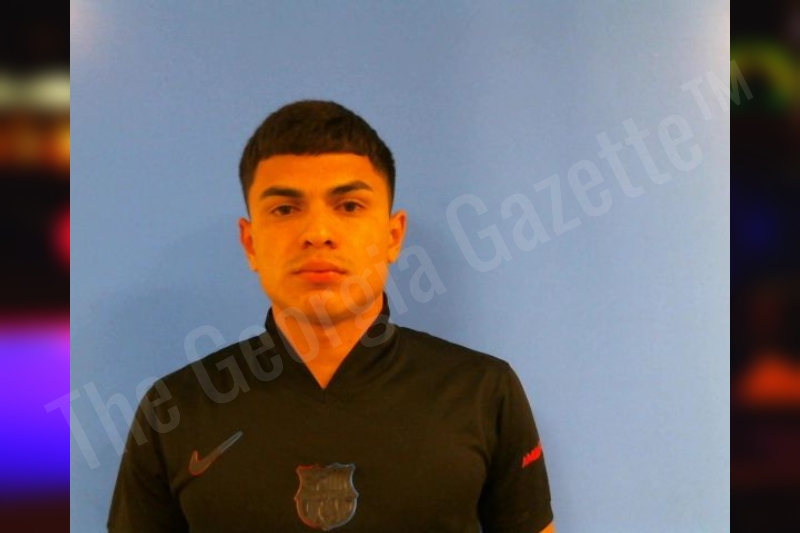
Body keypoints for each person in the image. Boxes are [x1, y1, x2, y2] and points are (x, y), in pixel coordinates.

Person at [107, 100, 555, 532]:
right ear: (250, 243)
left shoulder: (483, 392)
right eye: (285, 209)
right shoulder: (175, 409)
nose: (318, 233)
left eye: (349, 206)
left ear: (394, 235)